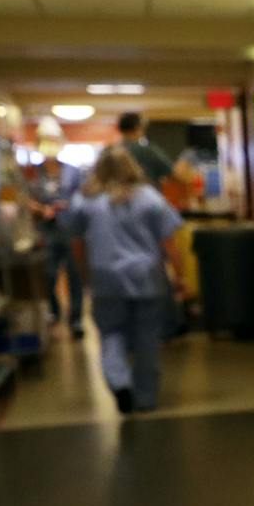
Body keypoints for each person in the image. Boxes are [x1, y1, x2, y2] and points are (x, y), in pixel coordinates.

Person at [69, 145, 184, 414]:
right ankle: (145, 398)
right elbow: (169, 243)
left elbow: (77, 245)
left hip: (105, 277)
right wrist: (179, 277)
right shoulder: (149, 198)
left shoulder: (85, 201)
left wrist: (86, 276)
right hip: (146, 277)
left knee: (110, 334)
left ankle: (120, 383)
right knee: (147, 339)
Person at [25, 148, 85, 338]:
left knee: (74, 276)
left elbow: (83, 195)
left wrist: (67, 205)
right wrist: (42, 209)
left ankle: (75, 320)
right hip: (46, 230)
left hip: (71, 230)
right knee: (48, 274)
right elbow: (25, 198)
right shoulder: (33, 172)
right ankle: (54, 311)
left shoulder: (73, 171)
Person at [116, 111, 173, 187]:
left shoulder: (110, 151)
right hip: (145, 195)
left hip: (116, 196)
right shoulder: (147, 151)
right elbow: (170, 171)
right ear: (138, 127)